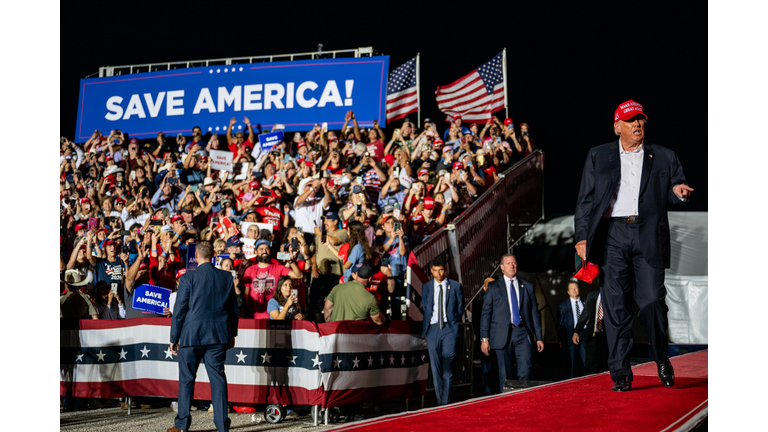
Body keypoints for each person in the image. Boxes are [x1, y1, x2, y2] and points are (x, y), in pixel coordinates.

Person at [574, 100, 693, 392]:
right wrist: (581, 236)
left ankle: (662, 356)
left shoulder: (663, 155)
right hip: (612, 235)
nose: (637, 125)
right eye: (630, 121)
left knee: (652, 301)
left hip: (649, 234)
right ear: (618, 127)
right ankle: (621, 372)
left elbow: (678, 185)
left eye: (640, 120)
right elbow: (586, 200)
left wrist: (679, 192)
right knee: (615, 307)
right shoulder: (598, 156)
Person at [168, 241, 238, 432]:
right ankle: (223, 426)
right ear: (214, 255)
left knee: (187, 380)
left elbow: (179, 309)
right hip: (218, 336)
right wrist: (232, 333)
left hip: (191, 336)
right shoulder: (226, 277)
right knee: (218, 380)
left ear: (196, 256)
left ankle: (182, 426)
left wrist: (174, 337)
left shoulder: (189, 278)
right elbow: (233, 309)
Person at [480, 254, 543, 391]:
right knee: (506, 375)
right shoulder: (493, 287)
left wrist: (539, 337)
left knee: (525, 371)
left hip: (522, 333)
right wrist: (484, 338)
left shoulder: (526, 286)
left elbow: (534, 313)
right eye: (508, 263)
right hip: (502, 335)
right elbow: (486, 314)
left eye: (514, 263)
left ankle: (524, 401)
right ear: (502, 267)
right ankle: (508, 405)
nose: (512, 266)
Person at [420, 256, 464, 406]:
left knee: (448, 365)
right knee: (435, 367)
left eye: (441, 270)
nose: (439, 274)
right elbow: (425, 308)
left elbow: (460, 308)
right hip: (432, 329)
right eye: (435, 271)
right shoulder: (426, 287)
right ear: (431, 271)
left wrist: (454, 324)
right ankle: (441, 402)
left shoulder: (456, 286)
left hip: (449, 329)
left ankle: (446, 401)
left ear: (445, 270)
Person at [572, 288, 609, 375]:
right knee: (590, 365)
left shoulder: (611, 294)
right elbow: (585, 314)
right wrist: (577, 331)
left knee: (605, 363)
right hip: (593, 334)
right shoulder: (592, 294)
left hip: (607, 335)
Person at [556, 280, 586, 378]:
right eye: (571, 289)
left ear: (579, 290)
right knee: (572, 363)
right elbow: (559, 324)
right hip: (570, 335)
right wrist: (560, 338)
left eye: (576, 288)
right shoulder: (562, 306)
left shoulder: (586, 303)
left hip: (584, 334)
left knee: (586, 361)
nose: (574, 290)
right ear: (568, 292)